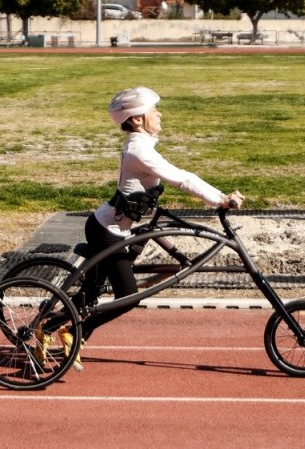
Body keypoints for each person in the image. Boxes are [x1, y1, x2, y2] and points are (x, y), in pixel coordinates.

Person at [64, 86, 244, 370]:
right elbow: (181, 178)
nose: (159, 114)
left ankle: (67, 330)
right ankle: (70, 332)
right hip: (107, 231)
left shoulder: (143, 145)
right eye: (153, 110)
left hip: (113, 228)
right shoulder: (139, 150)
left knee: (91, 293)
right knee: (127, 297)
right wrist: (220, 198)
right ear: (136, 119)